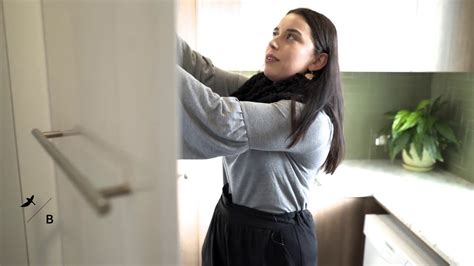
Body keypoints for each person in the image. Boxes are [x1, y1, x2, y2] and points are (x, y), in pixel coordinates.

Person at [176, 7, 344, 266]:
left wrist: (147, 53)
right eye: (276, 32)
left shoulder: (307, 119)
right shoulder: (258, 91)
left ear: (317, 61)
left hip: (274, 243)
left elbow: (222, 119)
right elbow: (202, 71)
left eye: (291, 36)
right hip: (228, 221)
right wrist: (150, 30)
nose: (274, 41)